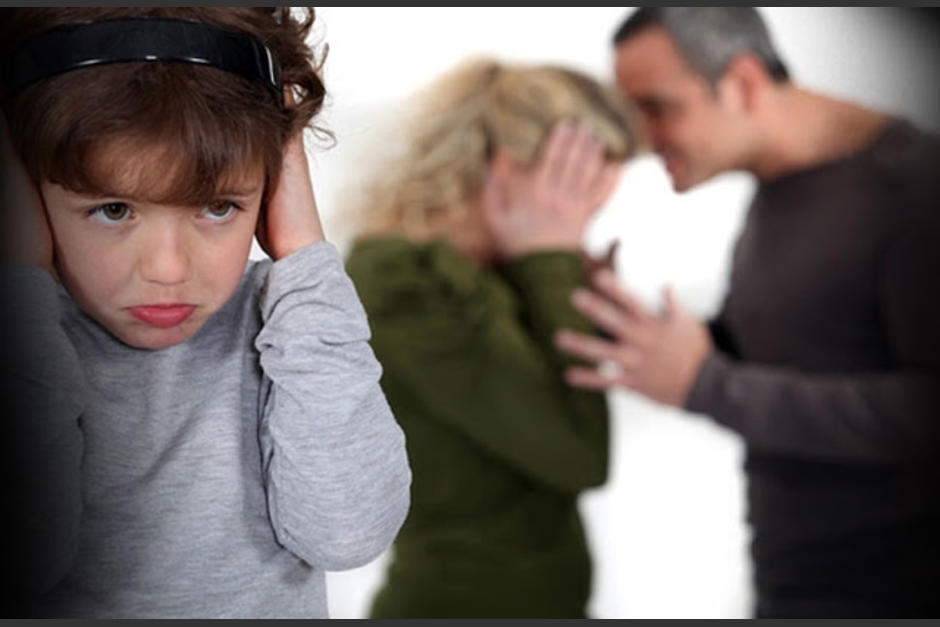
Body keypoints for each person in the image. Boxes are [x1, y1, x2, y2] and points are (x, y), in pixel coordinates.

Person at [0, 7, 411, 618]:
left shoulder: (296, 324)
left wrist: (304, 253)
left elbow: (347, 533)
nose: (168, 270)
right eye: (114, 210)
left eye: (218, 207)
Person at [554, 7, 940, 618]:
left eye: (657, 107)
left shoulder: (914, 189)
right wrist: (632, 329)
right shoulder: (783, 187)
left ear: (743, 83)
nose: (642, 140)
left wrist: (706, 385)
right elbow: (782, 345)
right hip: (792, 584)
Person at [342, 58, 638, 617]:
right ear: (506, 169)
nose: (588, 212)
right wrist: (551, 263)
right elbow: (580, 457)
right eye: (575, 184)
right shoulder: (403, 277)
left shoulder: (495, 267)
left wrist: (563, 284)